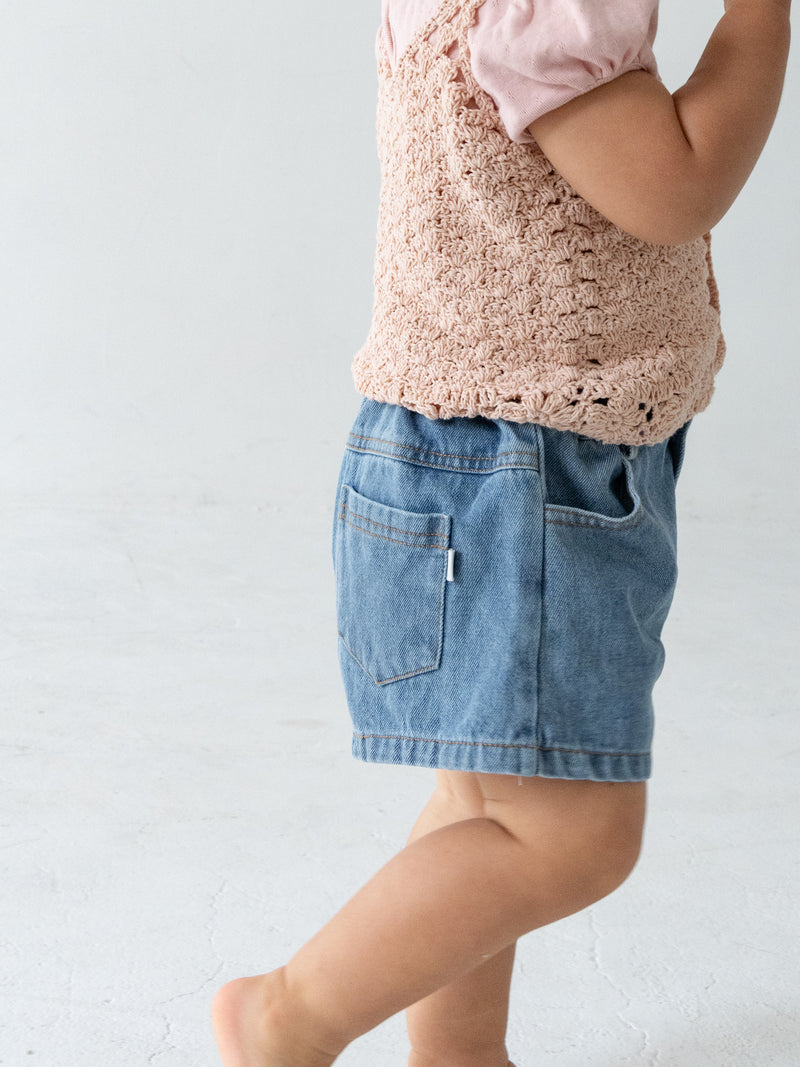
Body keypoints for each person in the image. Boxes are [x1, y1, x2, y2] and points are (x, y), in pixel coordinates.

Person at [212, 0, 792, 1063]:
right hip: (518, 478)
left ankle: (457, 1053)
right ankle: (284, 1015)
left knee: (484, 798)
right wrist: (759, 21)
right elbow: (678, 187)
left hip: (473, 456)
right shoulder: (548, 16)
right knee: (574, 837)